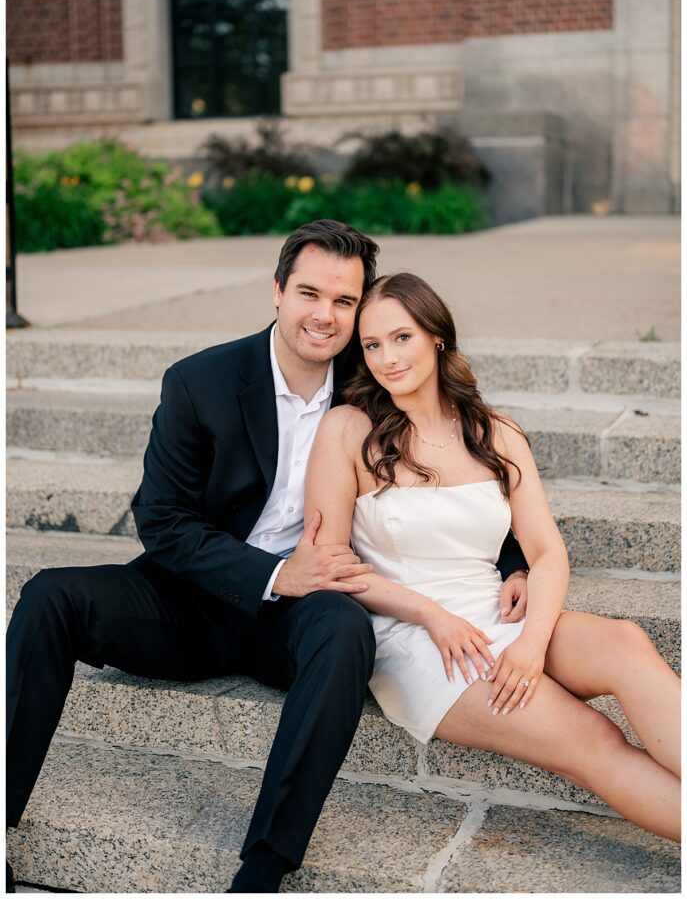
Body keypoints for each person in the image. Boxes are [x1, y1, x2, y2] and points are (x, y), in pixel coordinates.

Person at [6, 221, 531, 894]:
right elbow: (161, 522)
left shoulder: (371, 381)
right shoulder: (202, 381)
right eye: (309, 293)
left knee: (345, 631)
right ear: (277, 291)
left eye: (344, 302)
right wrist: (276, 572)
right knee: (50, 595)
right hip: (193, 599)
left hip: (304, 613)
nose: (324, 314)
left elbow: (458, 463)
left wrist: (513, 558)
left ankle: (264, 867)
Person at [304, 271, 681, 843]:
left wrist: (531, 644)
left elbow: (547, 549)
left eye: (401, 337)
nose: (386, 358)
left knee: (626, 641)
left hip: (497, 618)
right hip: (417, 640)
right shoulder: (349, 429)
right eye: (372, 344)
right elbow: (330, 562)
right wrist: (431, 615)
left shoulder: (495, 432)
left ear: (436, 336)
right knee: (593, 738)